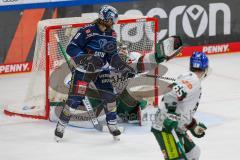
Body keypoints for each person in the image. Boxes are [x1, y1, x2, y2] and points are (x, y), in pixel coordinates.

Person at [54, 5, 135, 141]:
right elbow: (71, 48)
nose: (113, 23)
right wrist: (88, 58)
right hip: (83, 71)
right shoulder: (87, 30)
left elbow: (112, 57)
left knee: (110, 98)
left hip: (101, 71)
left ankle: (112, 125)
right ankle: (61, 125)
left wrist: (124, 68)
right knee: (74, 100)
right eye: (111, 19)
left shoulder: (111, 34)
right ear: (104, 18)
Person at [151, 51, 209, 160]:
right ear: (205, 68)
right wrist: (169, 115)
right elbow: (170, 94)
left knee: (194, 153)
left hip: (176, 127)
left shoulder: (187, 76)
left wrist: (193, 126)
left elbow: (183, 109)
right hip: (164, 127)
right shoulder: (193, 80)